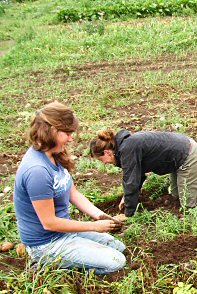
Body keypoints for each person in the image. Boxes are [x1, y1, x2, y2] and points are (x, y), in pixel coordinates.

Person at [14, 102, 126, 274]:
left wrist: (99, 216)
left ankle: (73, 255)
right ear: (51, 131)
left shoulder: (54, 155)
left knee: (118, 247)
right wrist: (94, 226)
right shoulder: (37, 171)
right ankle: (48, 266)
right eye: (67, 133)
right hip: (47, 243)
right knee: (115, 261)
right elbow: (49, 222)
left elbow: (73, 193)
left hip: (64, 233)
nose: (71, 138)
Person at [89, 129, 197, 217]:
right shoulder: (124, 145)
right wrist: (127, 196)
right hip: (178, 156)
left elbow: (131, 181)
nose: (104, 164)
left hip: (186, 155)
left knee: (189, 205)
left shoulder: (126, 149)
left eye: (100, 159)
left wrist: (128, 214)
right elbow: (136, 176)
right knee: (175, 193)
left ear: (106, 152)